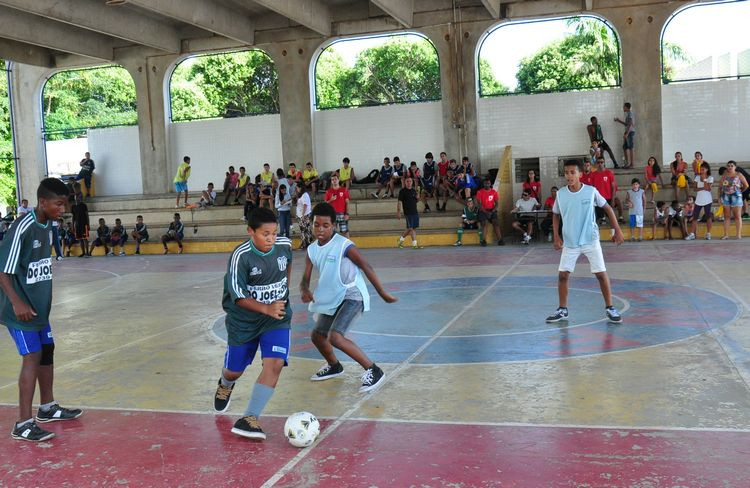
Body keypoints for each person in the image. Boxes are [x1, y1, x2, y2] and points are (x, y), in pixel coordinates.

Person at [1, 178, 82, 442]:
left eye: (65, 203)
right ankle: (23, 423)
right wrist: (17, 301)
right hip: (19, 310)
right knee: (32, 357)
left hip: (38, 309)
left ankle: (47, 408)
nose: (63, 208)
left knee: (47, 352)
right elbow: (2, 269)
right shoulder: (22, 226)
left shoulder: (48, 224)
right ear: (43, 202)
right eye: (59, 203)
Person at [211, 207, 293, 440]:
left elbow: (287, 264)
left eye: (274, 233)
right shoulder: (241, 257)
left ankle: (250, 418)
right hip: (243, 322)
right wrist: (265, 307)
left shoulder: (284, 245)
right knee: (235, 370)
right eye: (265, 233)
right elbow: (238, 296)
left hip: (276, 319)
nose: (270, 238)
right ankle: (226, 383)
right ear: (250, 231)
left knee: (275, 363)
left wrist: (284, 291)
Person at [300, 202, 397, 392]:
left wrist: (382, 293)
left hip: (352, 295)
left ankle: (374, 370)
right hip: (333, 297)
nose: (320, 229)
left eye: (325, 226)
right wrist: (304, 289)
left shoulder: (343, 245)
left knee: (335, 337)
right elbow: (305, 277)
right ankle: (334, 366)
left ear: (333, 226)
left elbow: (365, 266)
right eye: (316, 225)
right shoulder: (312, 250)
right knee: (317, 336)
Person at [546, 159, 624, 324]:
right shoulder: (561, 194)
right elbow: (555, 214)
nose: (569, 176)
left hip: (590, 240)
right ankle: (562, 309)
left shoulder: (591, 191)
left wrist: (617, 229)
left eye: (572, 172)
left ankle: (610, 307)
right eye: (566, 172)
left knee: (601, 274)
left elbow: (608, 208)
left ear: (581, 174)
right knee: (562, 275)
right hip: (570, 242)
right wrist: (556, 236)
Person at [719, 160, 749, 240]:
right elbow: (720, 187)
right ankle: (726, 235)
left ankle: (738, 234)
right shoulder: (724, 175)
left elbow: (746, 185)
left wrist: (740, 191)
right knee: (726, 216)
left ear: (735, 167)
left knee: (737, 216)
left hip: (736, 196)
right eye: (728, 165)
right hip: (726, 196)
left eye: (732, 165)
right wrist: (719, 198)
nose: (730, 167)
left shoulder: (739, 174)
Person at [591, 157, 623, 223]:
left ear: (604, 163)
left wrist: (613, 200)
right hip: (599, 198)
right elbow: (592, 188)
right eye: (598, 162)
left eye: (601, 162)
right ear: (596, 164)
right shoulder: (593, 174)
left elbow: (613, 187)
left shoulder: (609, 173)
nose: (600, 164)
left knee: (618, 201)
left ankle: (621, 217)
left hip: (609, 198)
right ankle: (602, 218)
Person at [475, 178, 504, 246]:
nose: (487, 185)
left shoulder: (494, 192)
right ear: (483, 184)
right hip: (483, 210)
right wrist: (486, 212)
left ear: (490, 184)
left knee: (496, 223)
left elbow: (496, 204)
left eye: (488, 183)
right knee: (484, 224)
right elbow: (479, 204)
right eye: (485, 183)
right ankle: (483, 240)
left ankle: (500, 240)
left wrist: (492, 211)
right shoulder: (479, 192)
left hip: (492, 210)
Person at [689, 162, 714, 240]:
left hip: (707, 200)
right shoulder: (697, 177)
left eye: (703, 169)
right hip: (698, 200)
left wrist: (705, 180)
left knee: (708, 216)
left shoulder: (710, 177)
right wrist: (703, 188)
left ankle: (708, 233)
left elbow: (709, 188)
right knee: (695, 217)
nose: (701, 171)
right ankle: (692, 234)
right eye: (701, 169)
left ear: (707, 170)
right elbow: (695, 188)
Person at [396, 176, 421, 249]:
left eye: (410, 181)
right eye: (407, 181)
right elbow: (399, 202)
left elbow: (417, 201)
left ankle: (400, 240)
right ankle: (414, 245)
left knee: (411, 228)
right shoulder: (402, 191)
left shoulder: (413, 191)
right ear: (405, 182)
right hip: (408, 212)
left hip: (415, 212)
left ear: (412, 182)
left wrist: (418, 197)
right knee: (411, 228)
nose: (409, 183)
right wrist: (398, 212)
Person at [325, 174, 350, 238]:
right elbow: (325, 204)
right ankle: (334, 247)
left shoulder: (344, 190)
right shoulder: (328, 191)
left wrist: (347, 214)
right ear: (331, 181)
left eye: (335, 179)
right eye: (332, 179)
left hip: (342, 214)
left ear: (339, 180)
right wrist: (331, 200)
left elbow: (347, 202)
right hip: (332, 214)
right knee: (333, 233)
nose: (334, 181)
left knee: (345, 231)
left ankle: (347, 247)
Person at [614, 102, 635, 169]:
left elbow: (631, 124)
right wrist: (619, 120)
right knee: (625, 148)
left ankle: (631, 164)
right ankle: (627, 163)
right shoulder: (628, 114)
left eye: (624, 107)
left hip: (630, 132)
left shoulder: (630, 114)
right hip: (628, 132)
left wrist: (627, 133)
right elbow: (627, 124)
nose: (623, 108)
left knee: (630, 148)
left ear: (626, 107)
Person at [296, 185, 313, 250]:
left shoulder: (304, 195)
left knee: (305, 230)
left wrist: (303, 215)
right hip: (301, 215)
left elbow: (305, 205)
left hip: (304, 215)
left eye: (297, 188)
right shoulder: (302, 195)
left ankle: (306, 244)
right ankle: (306, 243)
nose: (297, 189)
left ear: (300, 187)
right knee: (305, 230)